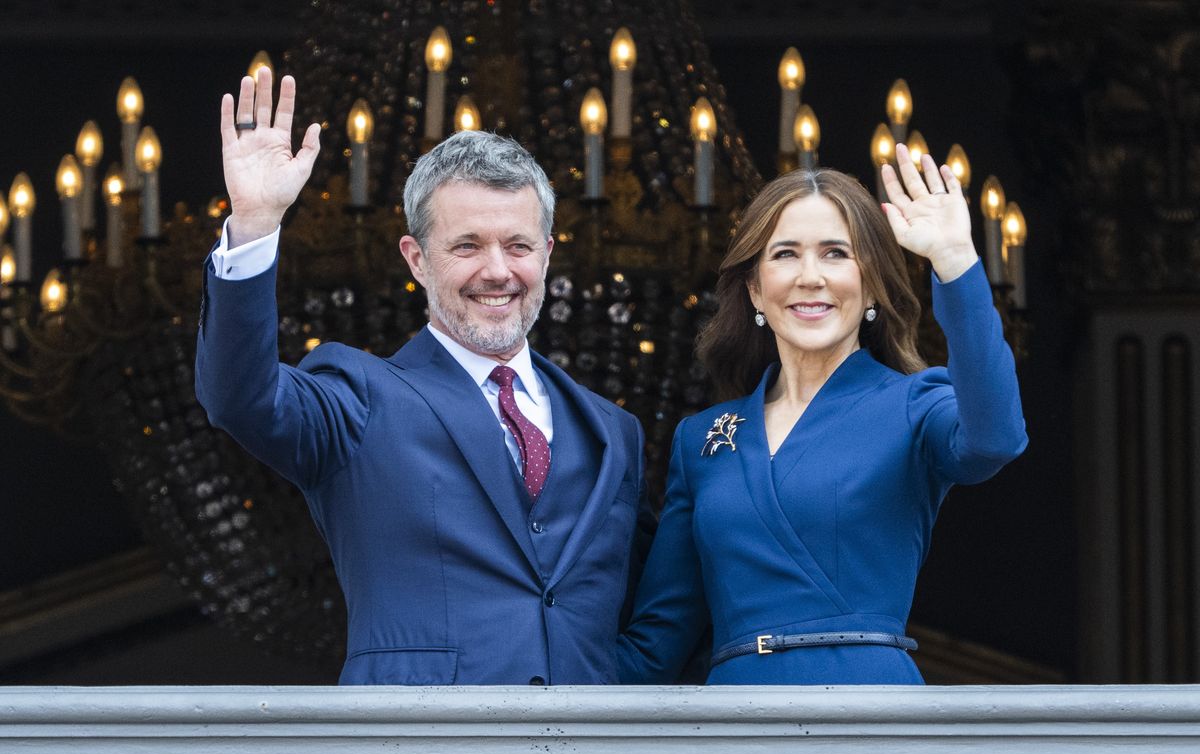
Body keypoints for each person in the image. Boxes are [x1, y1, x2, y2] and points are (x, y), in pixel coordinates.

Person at [195, 68, 653, 685]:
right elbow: (240, 398)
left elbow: (654, 605)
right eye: (466, 246)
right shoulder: (356, 397)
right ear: (416, 259)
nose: (498, 271)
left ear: (548, 254)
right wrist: (254, 226)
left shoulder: (612, 430)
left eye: (518, 246)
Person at [617, 145, 1027, 684]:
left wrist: (955, 262)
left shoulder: (914, 406)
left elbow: (995, 438)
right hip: (737, 725)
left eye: (836, 253)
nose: (810, 276)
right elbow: (658, 640)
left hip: (869, 715)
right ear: (755, 289)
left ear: (872, 283)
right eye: (785, 254)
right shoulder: (705, 440)